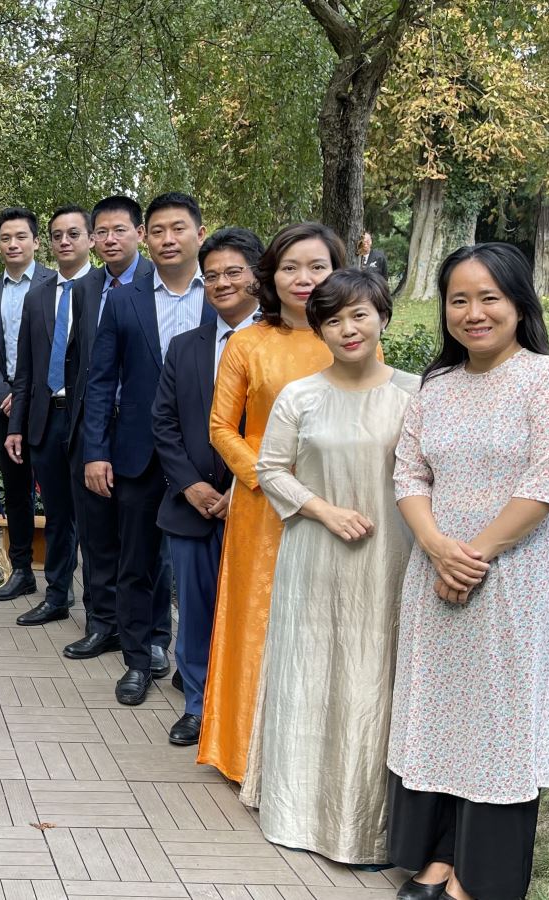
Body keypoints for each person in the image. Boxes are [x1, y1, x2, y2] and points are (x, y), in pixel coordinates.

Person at [387, 244, 549, 900]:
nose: (473, 313)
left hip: (511, 580)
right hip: (434, 571)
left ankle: (481, 876)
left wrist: (470, 557)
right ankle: (440, 855)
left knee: (497, 720)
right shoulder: (436, 387)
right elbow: (409, 473)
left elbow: (546, 481)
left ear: (519, 302)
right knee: (438, 713)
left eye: (489, 298)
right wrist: (436, 546)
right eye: (458, 299)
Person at [239, 268, 417, 865]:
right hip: (315, 559)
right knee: (309, 675)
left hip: (391, 561)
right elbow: (271, 468)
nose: (348, 329)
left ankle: (370, 827)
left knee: (374, 679)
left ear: (383, 317)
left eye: (359, 315)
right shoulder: (301, 396)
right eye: (333, 319)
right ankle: (298, 810)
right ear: (318, 329)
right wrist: (323, 510)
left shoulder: (416, 395)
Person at [197, 221, 347, 781]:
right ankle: (243, 751)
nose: (303, 279)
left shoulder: (349, 335)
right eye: (290, 267)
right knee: (256, 620)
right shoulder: (248, 342)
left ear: (338, 270)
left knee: (321, 626)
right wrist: (267, 477)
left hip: (337, 498)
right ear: (271, 276)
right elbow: (221, 427)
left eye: (317, 267)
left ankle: (311, 761)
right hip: (262, 506)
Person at [80, 193, 211, 705]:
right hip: (134, 451)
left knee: (195, 567)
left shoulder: (220, 295)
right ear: (146, 238)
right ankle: (139, 659)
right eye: (158, 231)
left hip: (205, 456)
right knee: (135, 561)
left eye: (178, 229)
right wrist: (96, 450)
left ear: (199, 233)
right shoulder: (125, 297)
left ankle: (193, 664)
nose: (168, 239)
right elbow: (100, 378)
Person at [150, 226, 263, 746]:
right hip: (193, 506)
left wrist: (242, 488)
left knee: (247, 613)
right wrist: (189, 484)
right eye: (211, 275)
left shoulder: (284, 345)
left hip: (259, 505)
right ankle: (197, 706)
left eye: (233, 272)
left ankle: (243, 711)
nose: (221, 283)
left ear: (257, 276)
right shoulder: (185, 346)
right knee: (193, 613)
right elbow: (164, 423)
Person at [5, 205, 93, 631]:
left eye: (73, 233)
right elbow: (25, 369)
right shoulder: (38, 295)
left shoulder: (105, 288)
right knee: (57, 514)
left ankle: (102, 611)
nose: (64, 241)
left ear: (90, 239)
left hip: (89, 421)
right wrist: (17, 425)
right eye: (57, 234)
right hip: (45, 419)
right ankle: (57, 595)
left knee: (95, 517)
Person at [0, 207, 55, 600]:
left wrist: (33, 397)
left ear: (36, 242)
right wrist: (7, 397)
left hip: (51, 406)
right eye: (6, 238)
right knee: (16, 491)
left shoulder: (58, 286)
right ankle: (21, 570)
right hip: (4, 407)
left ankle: (59, 581)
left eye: (21, 236)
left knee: (57, 495)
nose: (13, 244)